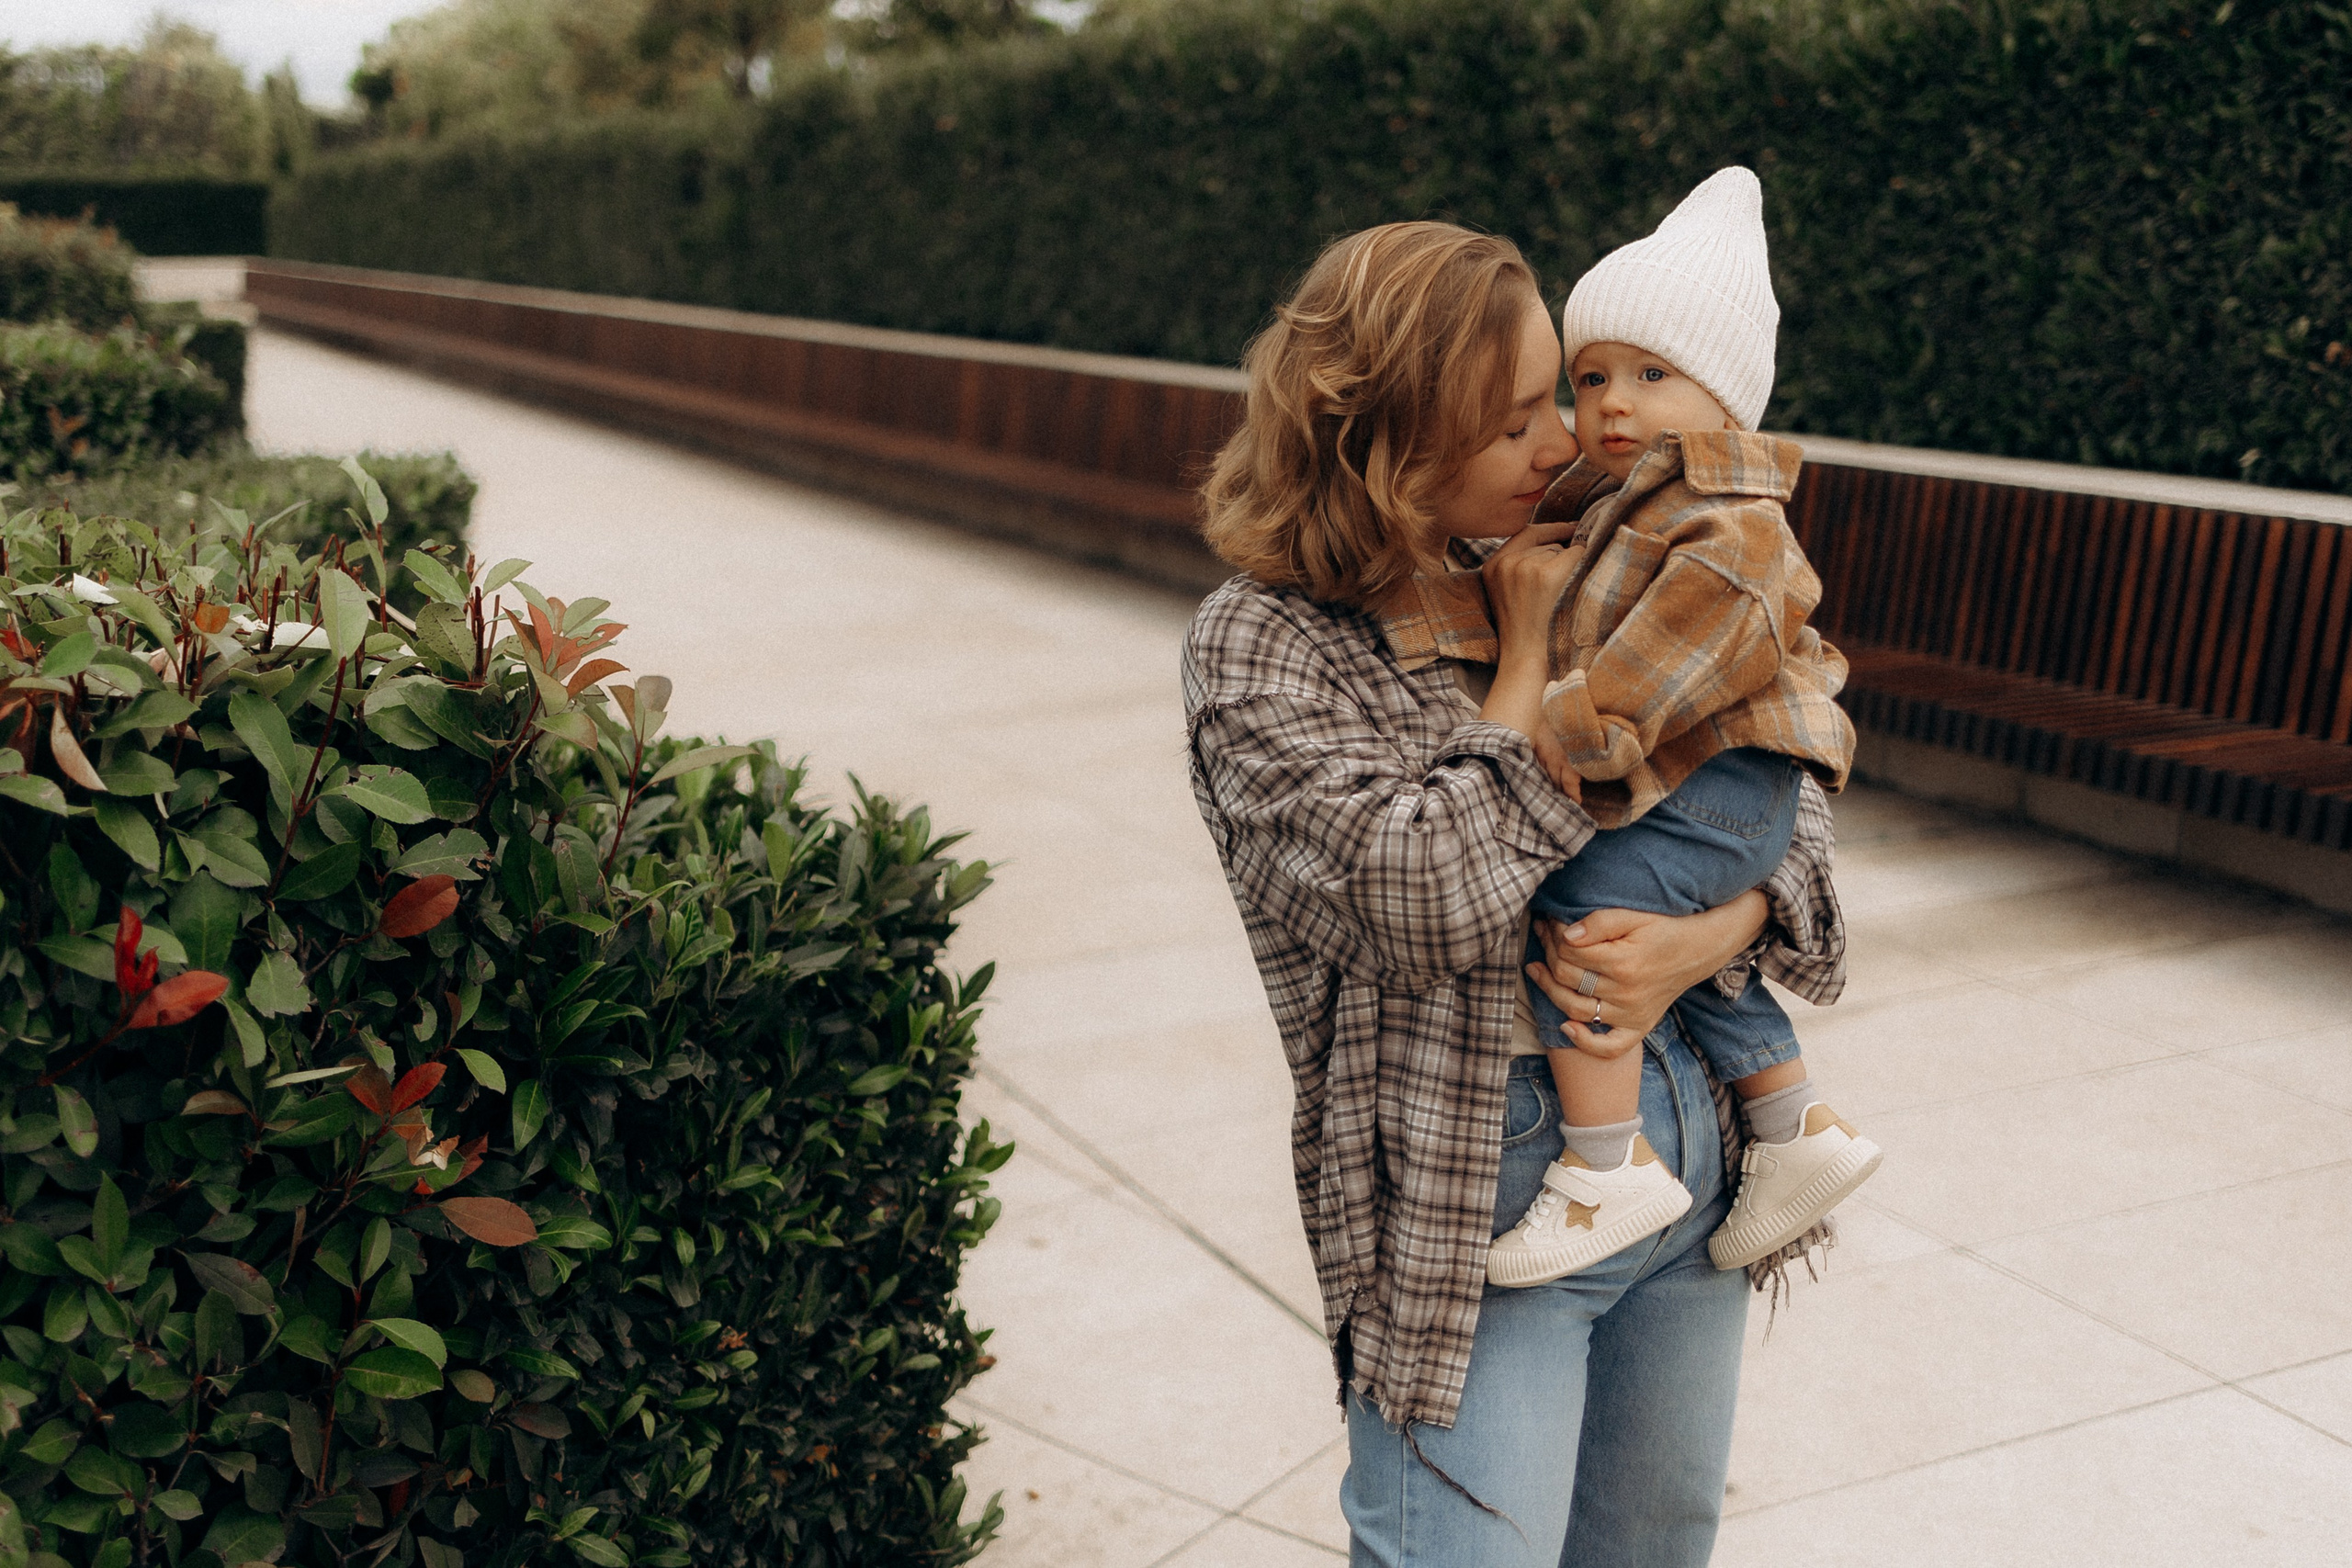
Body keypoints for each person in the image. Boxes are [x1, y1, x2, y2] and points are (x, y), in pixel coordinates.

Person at [1184, 219, 1846, 1567]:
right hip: (1470, 1205)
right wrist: (1534, 664)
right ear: (1378, 439)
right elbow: (1419, 890)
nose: (1562, 439)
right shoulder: (1264, 640)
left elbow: (1783, 778)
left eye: (1557, 391)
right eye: (1508, 422)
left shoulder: (1585, 541)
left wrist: (1714, 929)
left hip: (1693, 1164)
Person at [1477, 167, 1883, 1290]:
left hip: (1720, 786)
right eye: (1593, 375)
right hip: (1720, 790)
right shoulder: (1640, 495)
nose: (1611, 403)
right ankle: (1795, 1124)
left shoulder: (1726, 519)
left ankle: (1605, 1166)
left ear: (1725, 396)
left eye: (1653, 375)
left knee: (1573, 906)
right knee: (1669, 936)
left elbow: (1671, 659)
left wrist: (1575, 729)